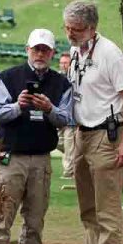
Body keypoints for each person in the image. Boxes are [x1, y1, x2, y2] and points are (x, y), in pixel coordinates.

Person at [0, 28, 73, 244]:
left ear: (52, 53)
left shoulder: (61, 84)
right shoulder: (9, 78)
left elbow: (67, 118)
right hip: (10, 157)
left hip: (41, 158)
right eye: (36, 49)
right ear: (27, 50)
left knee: (35, 218)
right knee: (2, 215)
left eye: (45, 50)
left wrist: (49, 109)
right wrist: (18, 106)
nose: (40, 54)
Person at [59, 0, 123, 244]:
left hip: (107, 135)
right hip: (81, 134)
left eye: (76, 29)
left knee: (107, 207)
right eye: (67, 27)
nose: (70, 33)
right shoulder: (76, 51)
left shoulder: (110, 54)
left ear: (92, 28)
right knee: (87, 206)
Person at [57, 52, 77, 183]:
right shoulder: (56, 78)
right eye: (62, 62)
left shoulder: (75, 78)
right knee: (58, 143)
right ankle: (77, 158)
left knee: (69, 146)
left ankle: (69, 172)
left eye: (66, 63)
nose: (64, 65)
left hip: (71, 119)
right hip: (58, 117)